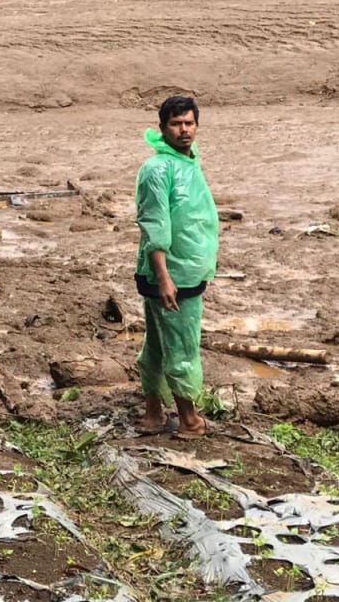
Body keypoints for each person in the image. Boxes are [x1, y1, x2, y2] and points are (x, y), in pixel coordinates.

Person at [134, 95, 219, 439]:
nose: (184, 130)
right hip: (172, 275)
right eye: (175, 124)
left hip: (186, 269)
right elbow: (155, 225)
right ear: (162, 128)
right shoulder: (158, 169)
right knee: (182, 346)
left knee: (157, 343)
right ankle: (190, 421)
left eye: (189, 123)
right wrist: (164, 277)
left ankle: (153, 414)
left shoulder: (188, 160)